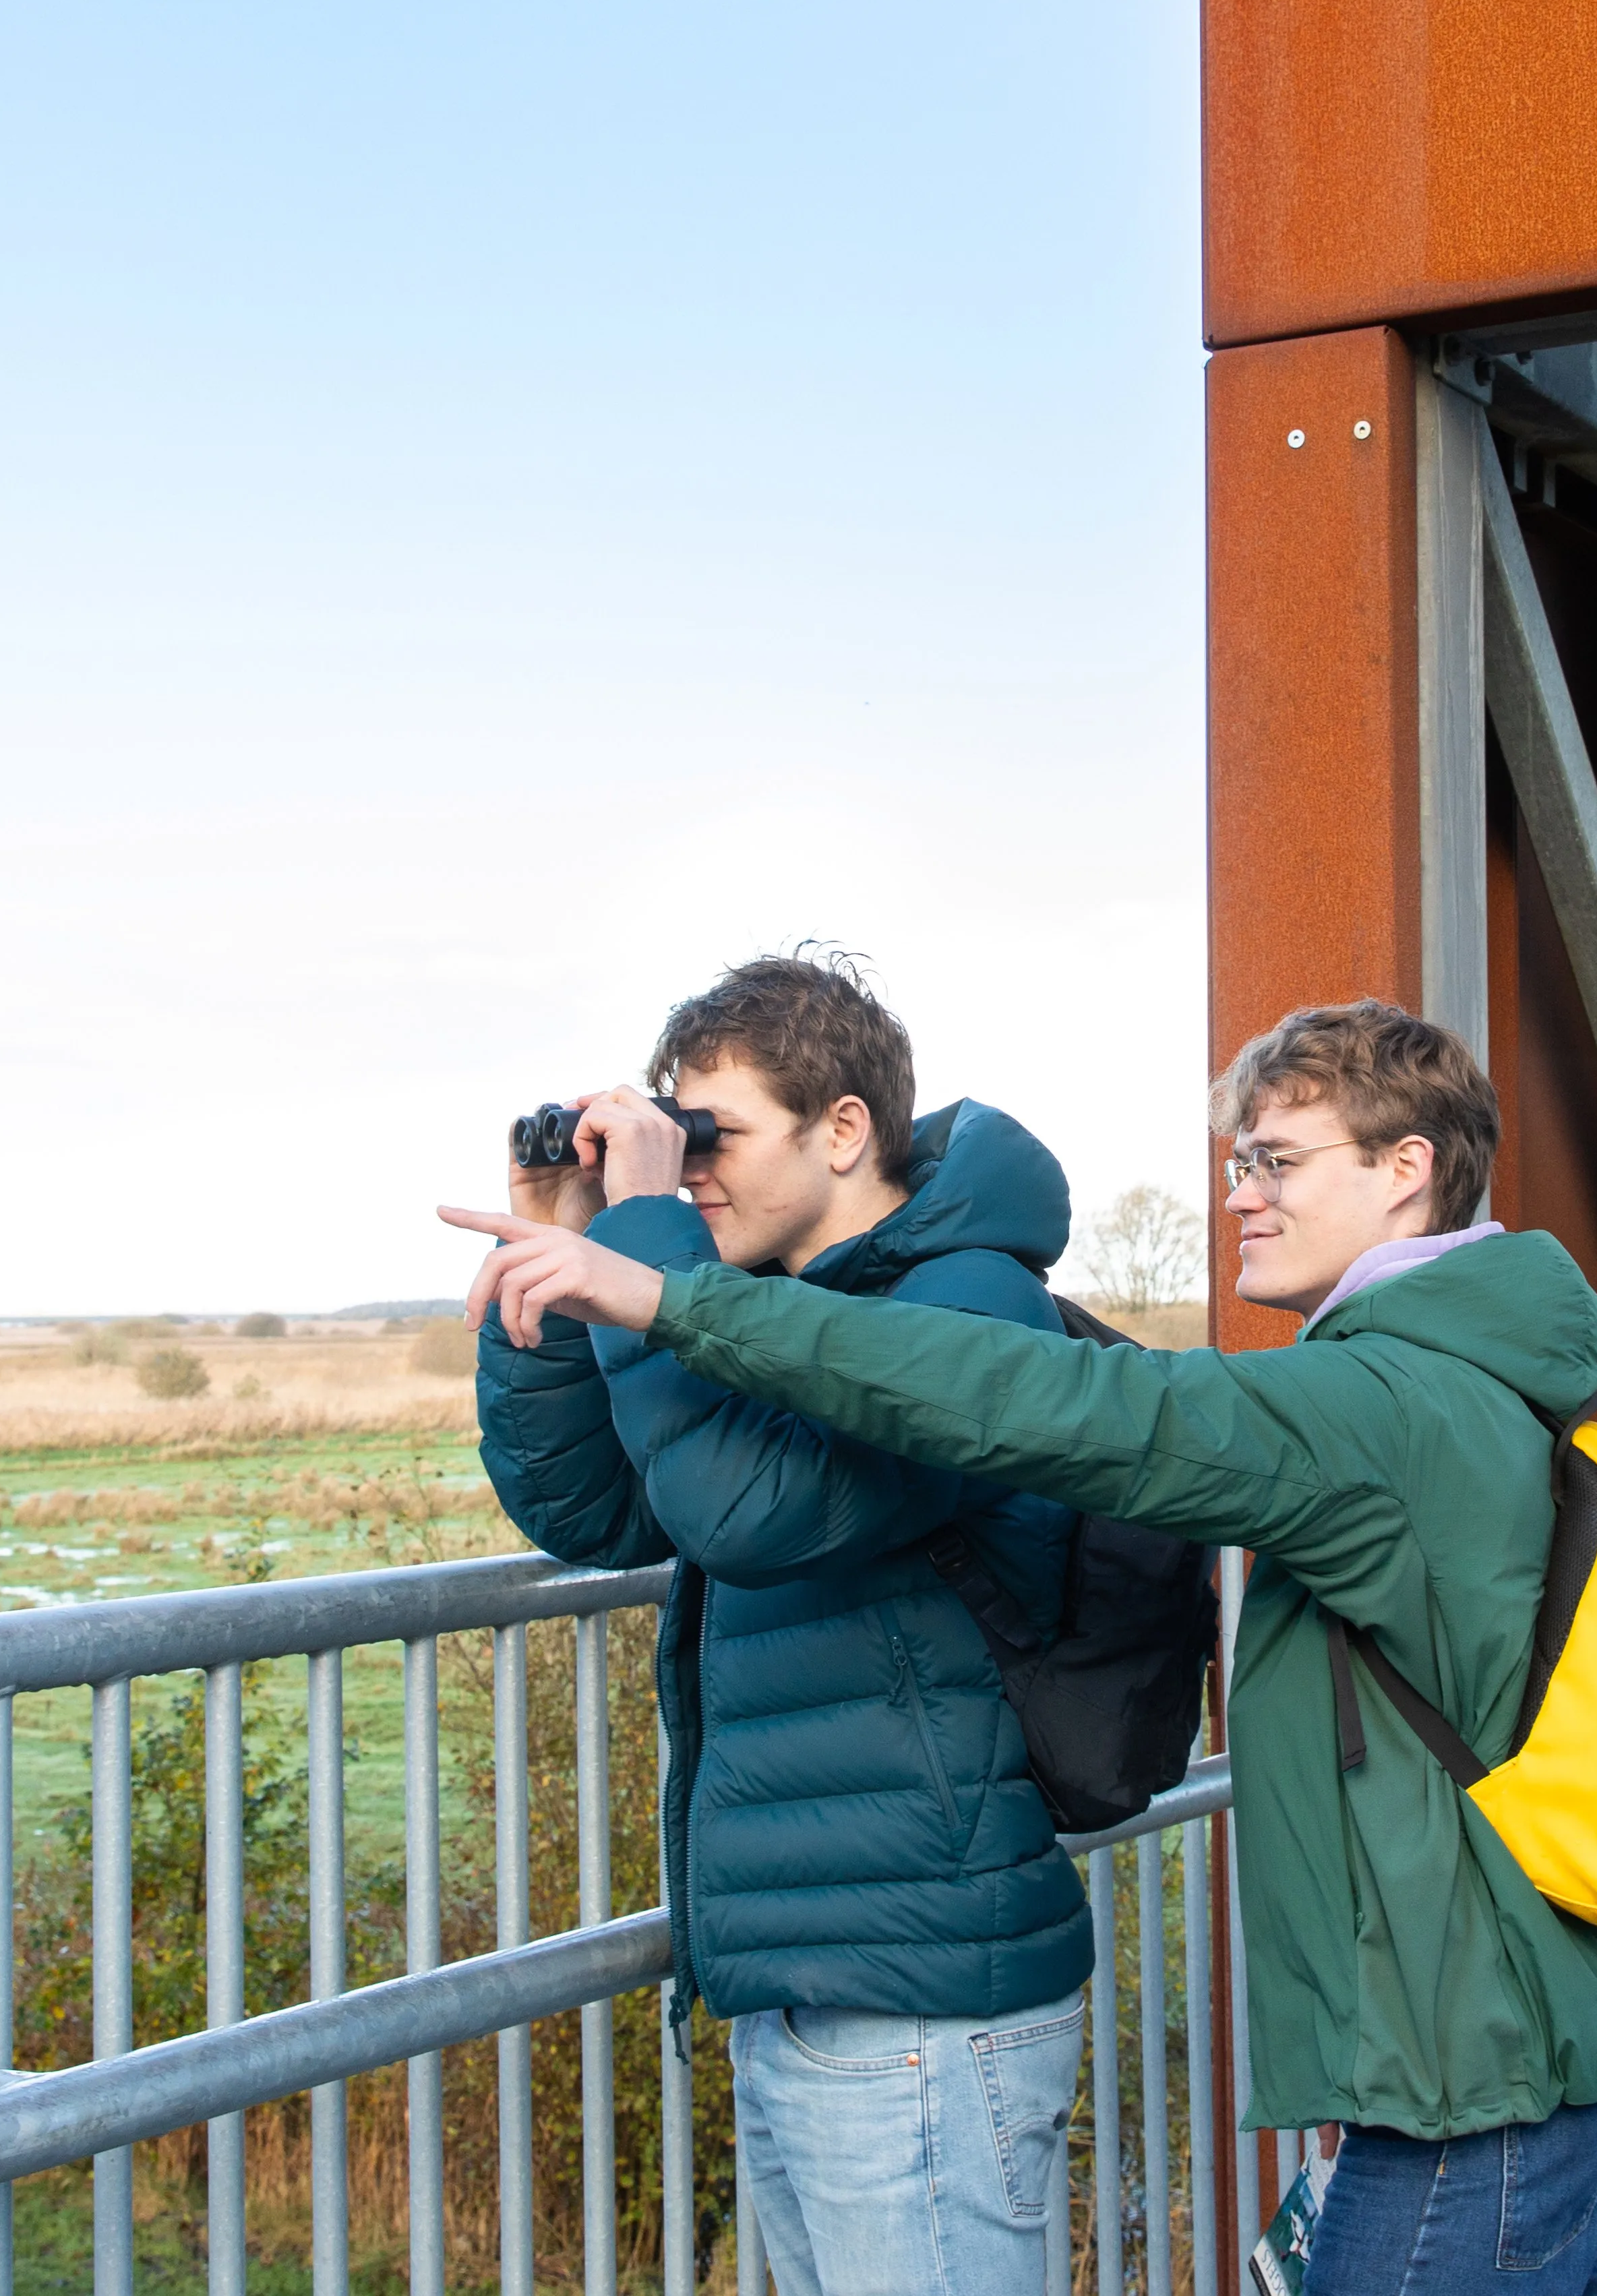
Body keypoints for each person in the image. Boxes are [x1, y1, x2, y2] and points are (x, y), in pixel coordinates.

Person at [448, 999, 1597, 2296]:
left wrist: (657, 1290)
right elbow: (608, 1507)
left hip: (1477, 2076)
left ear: (1406, 1168)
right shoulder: (1446, 1372)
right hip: (1534, 2041)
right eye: (1236, 1164)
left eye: (1276, 1162)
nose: (1240, 1198)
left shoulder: (1382, 1401)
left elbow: (1067, 1406)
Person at [469, 950, 1092, 2296]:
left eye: (718, 1138)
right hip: (811, 1982)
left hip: (920, 2000)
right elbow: (602, 1513)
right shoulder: (770, 1313)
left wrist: (642, 1248)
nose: (689, 1172)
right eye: (673, 1139)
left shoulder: (965, 1302)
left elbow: (749, 1507)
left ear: (845, 1130)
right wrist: (555, 1264)